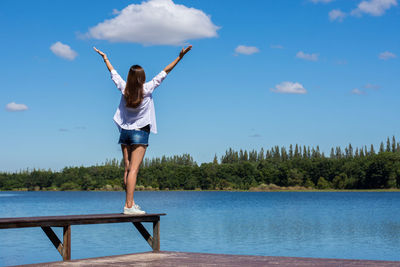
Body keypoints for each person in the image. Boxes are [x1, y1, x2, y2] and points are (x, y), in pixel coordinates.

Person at [94, 45, 192, 214]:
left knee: (127, 168)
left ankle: (130, 202)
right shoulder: (147, 88)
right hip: (140, 133)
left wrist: (105, 58)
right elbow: (165, 72)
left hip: (124, 133)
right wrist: (180, 57)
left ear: (130, 78)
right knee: (134, 170)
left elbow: (113, 74)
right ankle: (129, 206)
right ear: (142, 77)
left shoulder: (124, 89)